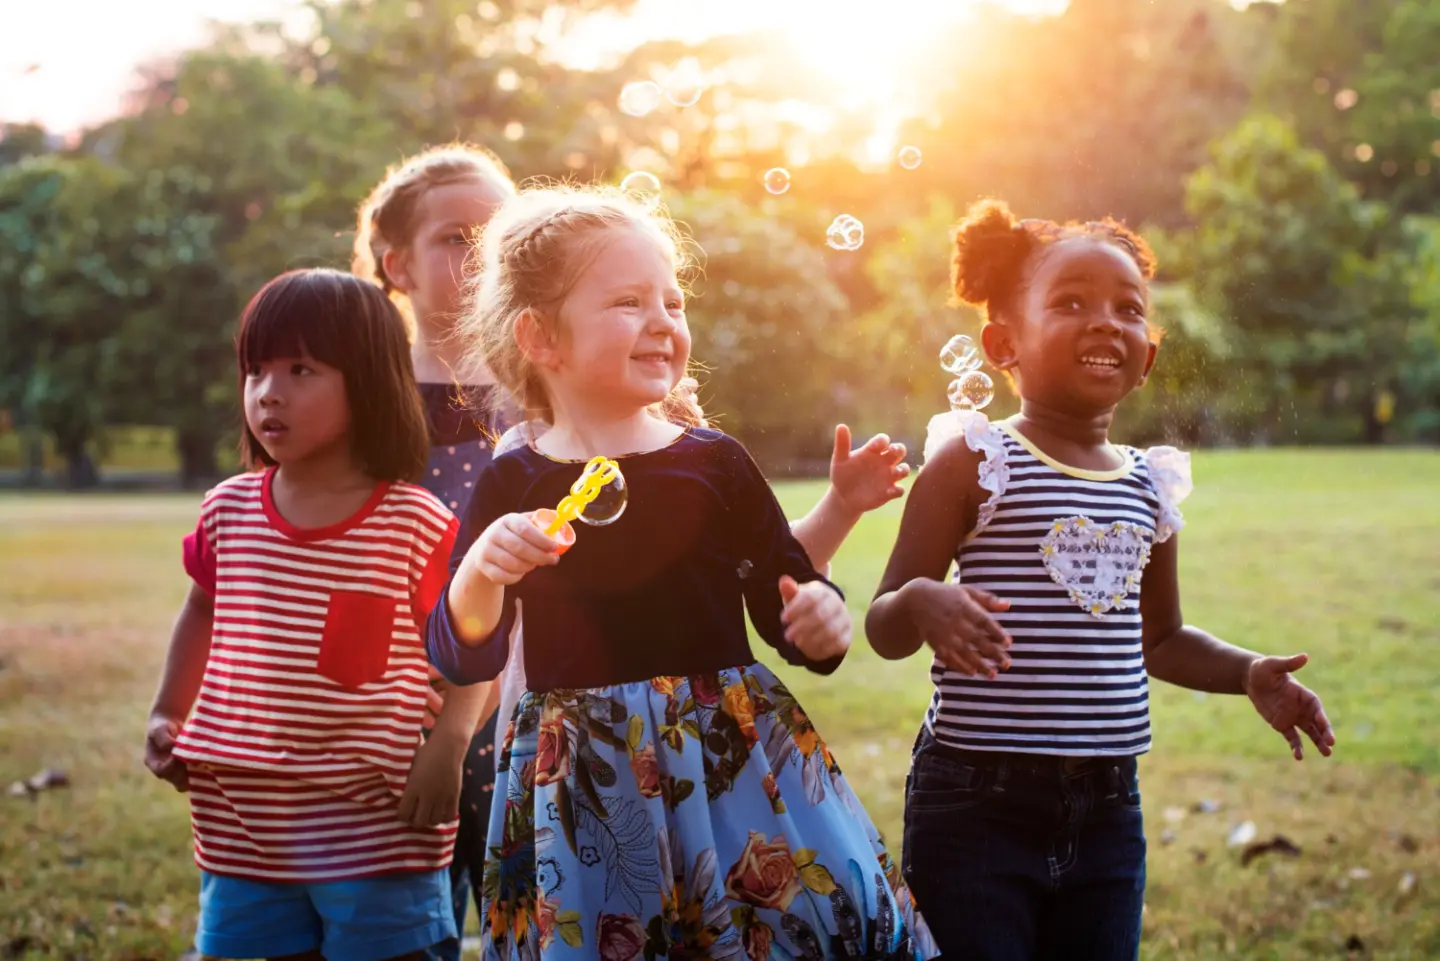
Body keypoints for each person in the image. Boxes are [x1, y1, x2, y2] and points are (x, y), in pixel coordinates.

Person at [352, 144, 911, 959]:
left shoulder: (712, 460)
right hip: (582, 773)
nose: (663, 322)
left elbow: (782, 601)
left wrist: (819, 618)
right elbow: (460, 647)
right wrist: (480, 572)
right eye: (627, 301)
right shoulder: (516, 473)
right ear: (541, 336)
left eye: (673, 302)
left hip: (726, 757)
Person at [865, 200, 1336, 961]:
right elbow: (884, 621)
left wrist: (1248, 671)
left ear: (1146, 356)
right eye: (1071, 303)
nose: (1104, 322)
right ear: (1003, 343)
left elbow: (1164, 638)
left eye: (1128, 309)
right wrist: (923, 600)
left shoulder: (1149, 486)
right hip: (975, 802)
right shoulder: (976, 463)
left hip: (1109, 809)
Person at [143, 269, 487, 961]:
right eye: (256, 371)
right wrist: (166, 711)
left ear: (368, 382)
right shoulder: (228, 511)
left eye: (301, 369)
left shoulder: (414, 523)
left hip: (378, 827)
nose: (269, 392)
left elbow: (475, 642)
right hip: (243, 827)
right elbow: (202, 612)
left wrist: (449, 744)